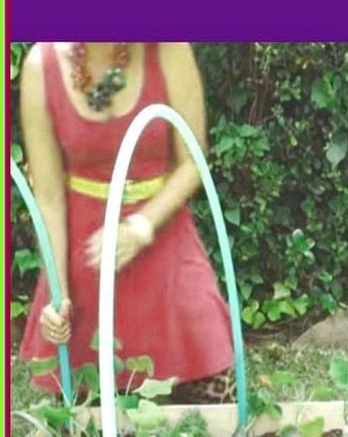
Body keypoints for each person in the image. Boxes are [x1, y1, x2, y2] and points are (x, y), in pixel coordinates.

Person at [19, 43, 235, 403]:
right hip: (86, 255)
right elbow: (50, 197)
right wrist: (59, 292)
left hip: (164, 237)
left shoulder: (167, 47)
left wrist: (141, 228)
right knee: (87, 426)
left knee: (215, 397)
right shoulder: (41, 67)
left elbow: (192, 161)